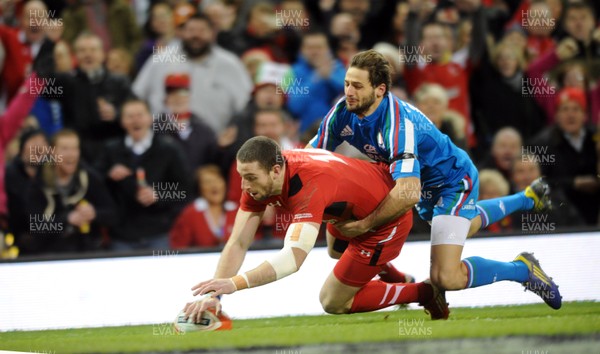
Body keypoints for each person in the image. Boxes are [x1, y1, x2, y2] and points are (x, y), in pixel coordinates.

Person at [308, 50, 561, 311]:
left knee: (445, 276)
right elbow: (311, 158)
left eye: (357, 86)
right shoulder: (342, 111)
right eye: (347, 83)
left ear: (380, 90)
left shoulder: (397, 124)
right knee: (460, 225)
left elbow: (408, 193)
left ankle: (522, 269)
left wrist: (364, 225)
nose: (349, 91)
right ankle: (525, 199)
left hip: (451, 181)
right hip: (420, 183)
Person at [183, 137, 446, 322]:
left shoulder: (308, 185)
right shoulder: (263, 178)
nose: (244, 186)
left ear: (276, 170)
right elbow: (238, 243)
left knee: (334, 301)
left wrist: (232, 284)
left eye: (250, 177)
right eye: (242, 176)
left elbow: (292, 259)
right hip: (354, 209)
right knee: (336, 249)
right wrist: (213, 297)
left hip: (387, 219)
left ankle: (425, 291)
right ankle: (396, 276)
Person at [96, 98, 190, 251]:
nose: (135, 120)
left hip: (158, 233)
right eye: (130, 116)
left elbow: (186, 189)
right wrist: (109, 175)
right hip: (121, 235)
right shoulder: (110, 150)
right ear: (122, 121)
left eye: (140, 115)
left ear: (149, 118)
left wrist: (159, 194)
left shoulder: (169, 149)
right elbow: (95, 185)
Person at [22, 130, 117, 254]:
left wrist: (95, 214)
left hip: (87, 252)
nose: (71, 155)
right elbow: (35, 228)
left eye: (74, 149)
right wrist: (66, 219)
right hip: (50, 255)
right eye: (65, 149)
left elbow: (113, 215)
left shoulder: (89, 178)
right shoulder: (39, 184)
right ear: (53, 152)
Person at [529, 87, 599, 225]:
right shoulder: (542, 144)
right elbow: (539, 182)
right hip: (560, 215)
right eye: (565, 109)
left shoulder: (596, 139)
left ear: (585, 115)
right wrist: (573, 183)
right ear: (556, 116)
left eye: (576, 109)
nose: (570, 115)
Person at [170, 165, 237, 249]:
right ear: (200, 188)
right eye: (208, 182)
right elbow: (179, 247)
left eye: (217, 180)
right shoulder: (190, 214)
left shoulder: (238, 211)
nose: (214, 186)